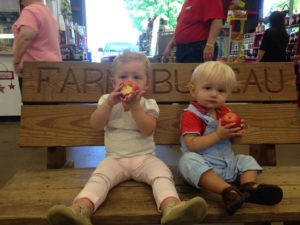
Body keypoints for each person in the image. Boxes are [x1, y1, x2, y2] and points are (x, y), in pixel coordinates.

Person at [47, 51, 208, 225]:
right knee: (100, 178)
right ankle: (80, 209)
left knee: (162, 174)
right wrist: (109, 103)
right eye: (123, 76)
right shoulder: (106, 101)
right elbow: (95, 124)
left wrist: (135, 107)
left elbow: (148, 130)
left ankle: (172, 207)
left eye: (137, 77)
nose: (129, 80)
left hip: (145, 158)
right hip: (115, 159)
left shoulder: (149, 104)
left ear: (146, 84)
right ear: (114, 82)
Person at [178, 61, 283, 216]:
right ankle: (228, 191)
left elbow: (236, 143)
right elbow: (191, 145)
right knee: (187, 161)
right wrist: (218, 135)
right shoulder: (191, 115)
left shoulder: (225, 113)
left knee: (246, 159)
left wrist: (237, 134)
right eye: (207, 88)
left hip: (228, 164)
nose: (214, 94)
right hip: (204, 169)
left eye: (221, 90)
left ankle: (249, 187)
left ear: (227, 94)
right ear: (193, 91)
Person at [12, 0, 62, 87]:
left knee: (33, 100)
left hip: (35, 69)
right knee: (49, 99)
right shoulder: (47, 12)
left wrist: (16, 61)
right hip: (53, 67)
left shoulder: (31, 10)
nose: (20, 2)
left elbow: (25, 37)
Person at [162, 0, 230, 62]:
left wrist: (210, 44)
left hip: (198, 48)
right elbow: (181, 26)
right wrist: (170, 46)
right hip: (183, 49)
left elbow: (217, 20)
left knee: (198, 75)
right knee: (184, 75)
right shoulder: (187, 2)